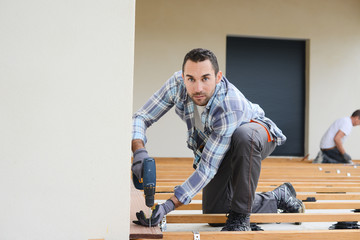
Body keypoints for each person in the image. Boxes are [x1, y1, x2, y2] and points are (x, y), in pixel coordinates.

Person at [131, 48, 304, 231]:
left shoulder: (230, 105)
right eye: (191, 79)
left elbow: (207, 168)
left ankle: (241, 217)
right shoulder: (176, 84)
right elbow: (141, 117)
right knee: (215, 212)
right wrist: (139, 150)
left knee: (244, 136)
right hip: (223, 145)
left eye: (205, 78)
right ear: (183, 77)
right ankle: (278, 197)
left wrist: (168, 206)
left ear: (218, 77)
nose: (198, 88)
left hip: (256, 132)